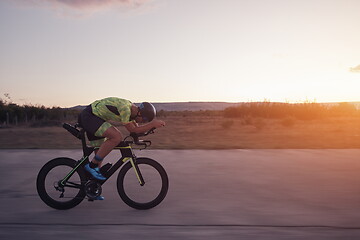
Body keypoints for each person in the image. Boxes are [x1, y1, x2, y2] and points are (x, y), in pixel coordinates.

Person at [78, 97, 165, 199]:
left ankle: (92, 188)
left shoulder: (132, 113)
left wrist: (138, 140)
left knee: (100, 151)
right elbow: (134, 129)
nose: (142, 122)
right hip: (90, 116)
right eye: (144, 120)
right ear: (140, 113)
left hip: (95, 118)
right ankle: (91, 166)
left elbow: (134, 132)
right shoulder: (125, 109)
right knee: (116, 137)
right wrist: (152, 124)